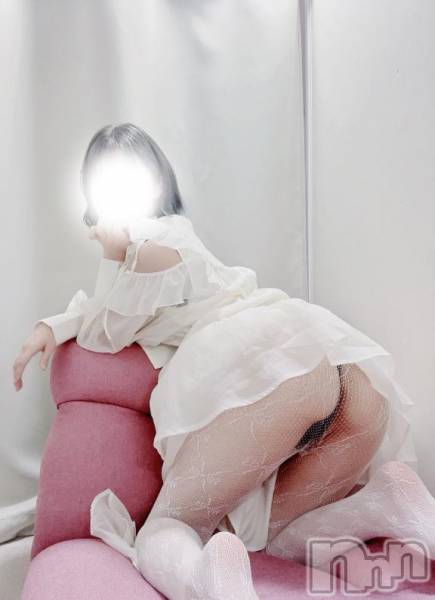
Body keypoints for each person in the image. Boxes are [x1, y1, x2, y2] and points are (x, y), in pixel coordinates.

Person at [13, 123, 425, 600]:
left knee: (168, 528)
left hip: (253, 362)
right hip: (326, 360)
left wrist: (110, 255)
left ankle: (214, 587)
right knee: (272, 533)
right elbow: (102, 311)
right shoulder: (177, 239)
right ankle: (384, 503)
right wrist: (53, 325)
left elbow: (107, 332)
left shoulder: (150, 248)